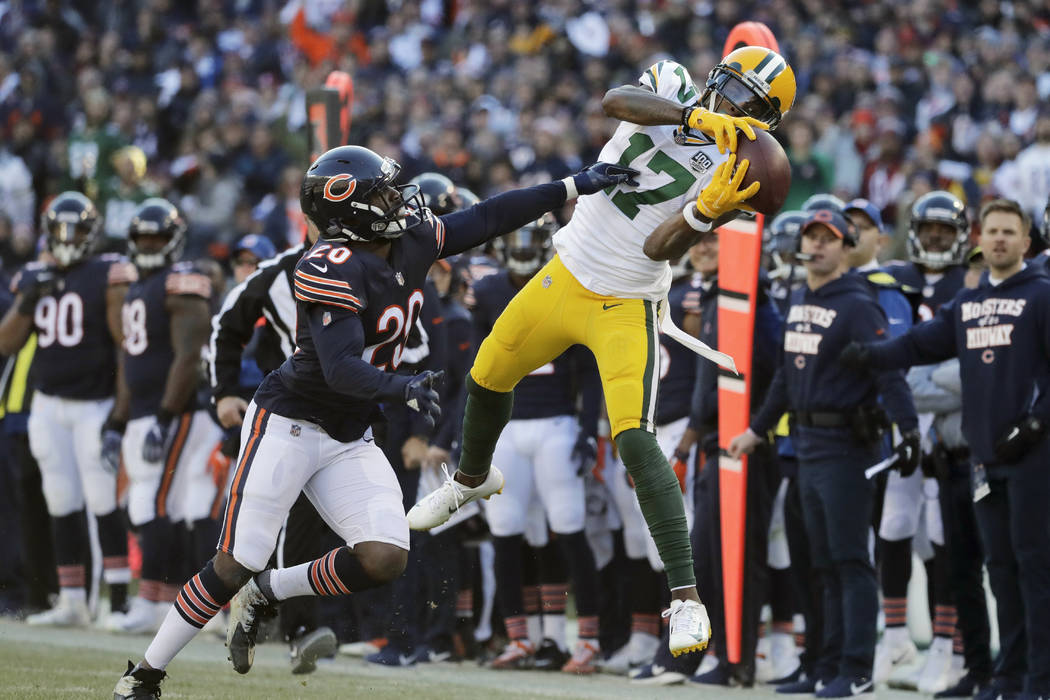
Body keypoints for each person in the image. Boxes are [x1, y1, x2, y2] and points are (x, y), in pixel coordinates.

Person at [113, 144, 635, 698]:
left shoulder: (410, 239)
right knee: (234, 561)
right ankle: (144, 674)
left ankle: (270, 591)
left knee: (386, 556)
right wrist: (400, 387)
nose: (398, 200)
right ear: (351, 208)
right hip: (288, 422)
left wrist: (573, 186)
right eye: (383, 192)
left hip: (348, 431)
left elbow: (486, 218)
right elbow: (339, 369)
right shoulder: (326, 263)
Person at [410, 46, 797, 657]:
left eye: (749, 104)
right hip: (566, 271)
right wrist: (695, 120)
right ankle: (470, 480)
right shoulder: (672, 86)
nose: (733, 104)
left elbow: (659, 250)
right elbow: (615, 102)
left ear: (765, 118)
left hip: (627, 301)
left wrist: (703, 213)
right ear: (717, 78)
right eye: (732, 89)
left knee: (636, 440)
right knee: (487, 375)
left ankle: (687, 600)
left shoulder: (736, 166)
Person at [841, 198, 1050, 700]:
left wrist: (1038, 421)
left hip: (1034, 459)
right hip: (984, 460)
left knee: (1035, 570)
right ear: (979, 241)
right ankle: (1009, 674)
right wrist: (866, 355)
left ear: (1026, 241)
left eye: (1009, 232)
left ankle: (1041, 681)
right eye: (992, 231)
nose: (999, 239)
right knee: (999, 570)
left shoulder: (1042, 295)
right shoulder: (969, 305)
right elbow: (917, 345)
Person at [727, 209, 919, 698]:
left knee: (851, 561)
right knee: (823, 564)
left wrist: (909, 429)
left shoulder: (859, 305)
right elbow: (785, 380)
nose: (815, 246)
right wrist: (756, 430)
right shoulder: (799, 298)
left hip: (846, 446)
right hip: (808, 445)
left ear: (845, 248)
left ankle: (856, 669)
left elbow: (889, 371)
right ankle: (826, 665)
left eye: (827, 239)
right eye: (811, 237)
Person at [472, 215, 603, 673]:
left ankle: (582, 640)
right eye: (516, 236)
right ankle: (521, 639)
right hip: (506, 427)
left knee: (567, 528)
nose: (523, 247)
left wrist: (588, 428)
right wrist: (469, 433)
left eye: (532, 238)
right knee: (506, 531)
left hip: (556, 423)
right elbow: (475, 369)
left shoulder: (568, 283)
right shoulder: (487, 292)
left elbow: (588, 366)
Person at [209, 226, 341, 675]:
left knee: (358, 533)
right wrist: (224, 391)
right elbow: (226, 324)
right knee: (263, 526)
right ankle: (284, 624)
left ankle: (283, 617)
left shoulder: (376, 266)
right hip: (289, 417)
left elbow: (414, 339)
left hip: (349, 416)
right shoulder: (278, 274)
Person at [0, 192, 134, 625]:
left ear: (91, 233)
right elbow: (6, 342)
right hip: (47, 403)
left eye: (74, 229)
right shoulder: (35, 275)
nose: (66, 237)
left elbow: (123, 345)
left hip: (93, 403)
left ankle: (117, 601)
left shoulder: (107, 273)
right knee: (60, 499)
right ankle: (71, 599)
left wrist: (119, 411)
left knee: (100, 499)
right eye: (59, 229)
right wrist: (26, 301)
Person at [107, 198, 224, 635]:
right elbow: (130, 359)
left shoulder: (181, 281)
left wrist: (164, 415)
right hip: (148, 411)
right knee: (166, 506)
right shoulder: (141, 285)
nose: (150, 245)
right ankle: (174, 600)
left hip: (177, 411)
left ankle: (153, 601)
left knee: (156, 503)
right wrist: (118, 420)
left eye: (158, 237)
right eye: (144, 238)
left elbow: (190, 355)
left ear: (173, 240)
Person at [875, 191, 969, 688]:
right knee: (893, 523)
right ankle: (894, 637)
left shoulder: (966, 282)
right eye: (929, 228)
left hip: (947, 419)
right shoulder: (894, 277)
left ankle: (947, 646)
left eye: (944, 230)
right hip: (899, 413)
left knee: (940, 535)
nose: (935, 237)